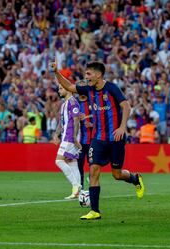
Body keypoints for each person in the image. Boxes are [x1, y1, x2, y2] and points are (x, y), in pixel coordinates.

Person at [51, 60, 144, 220]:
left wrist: (122, 127)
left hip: (115, 139)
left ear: (98, 74)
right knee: (93, 170)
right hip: (98, 139)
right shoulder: (88, 89)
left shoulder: (112, 88)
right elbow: (69, 87)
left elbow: (126, 106)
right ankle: (95, 211)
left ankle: (135, 178)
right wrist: (56, 72)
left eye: (88, 74)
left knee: (116, 174)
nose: (86, 77)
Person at [53, 84, 82, 199]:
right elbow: (62, 121)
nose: (59, 90)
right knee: (72, 162)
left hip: (70, 136)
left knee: (59, 161)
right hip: (67, 135)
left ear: (68, 89)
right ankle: (77, 192)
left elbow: (76, 120)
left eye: (61, 88)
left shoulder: (73, 102)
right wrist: (56, 133)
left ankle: (76, 186)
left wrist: (74, 137)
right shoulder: (64, 103)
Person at [77, 80, 93, 190]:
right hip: (80, 142)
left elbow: (101, 119)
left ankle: (92, 182)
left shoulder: (92, 102)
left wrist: (91, 124)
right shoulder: (75, 104)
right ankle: (80, 187)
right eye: (80, 87)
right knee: (79, 165)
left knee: (93, 164)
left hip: (92, 141)